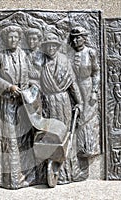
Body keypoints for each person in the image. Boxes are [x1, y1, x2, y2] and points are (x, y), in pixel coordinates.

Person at [0, 25, 34, 189]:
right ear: (5, 39)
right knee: (10, 140)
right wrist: (9, 86)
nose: (13, 40)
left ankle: (26, 175)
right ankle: (11, 178)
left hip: (22, 103)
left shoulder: (23, 54)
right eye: (10, 37)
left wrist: (30, 89)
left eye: (15, 37)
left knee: (24, 139)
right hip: (6, 102)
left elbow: (29, 75)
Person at [40, 32, 83, 184]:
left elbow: (73, 83)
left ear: (57, 46)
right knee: (51, 136)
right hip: (48, 103)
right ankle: (50, 170)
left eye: (53, 45)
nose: (51, 48)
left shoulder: (64, 61)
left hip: (63, 101)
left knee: (66, 135)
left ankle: (67, 171)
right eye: (48, 45)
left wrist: (79, 102)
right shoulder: (41, 62)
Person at [68, 27, 100, 157]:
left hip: (87, 86)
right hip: (74, 87)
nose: (75, 40)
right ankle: (79, 148)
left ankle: (91, 148)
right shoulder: (70, 54)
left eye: (78, 37)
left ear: (84, 38)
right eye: (73, 38)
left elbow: (96, 72)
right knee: (78, 116)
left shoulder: (90, 52)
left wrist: (94, 91)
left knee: (89, 116)